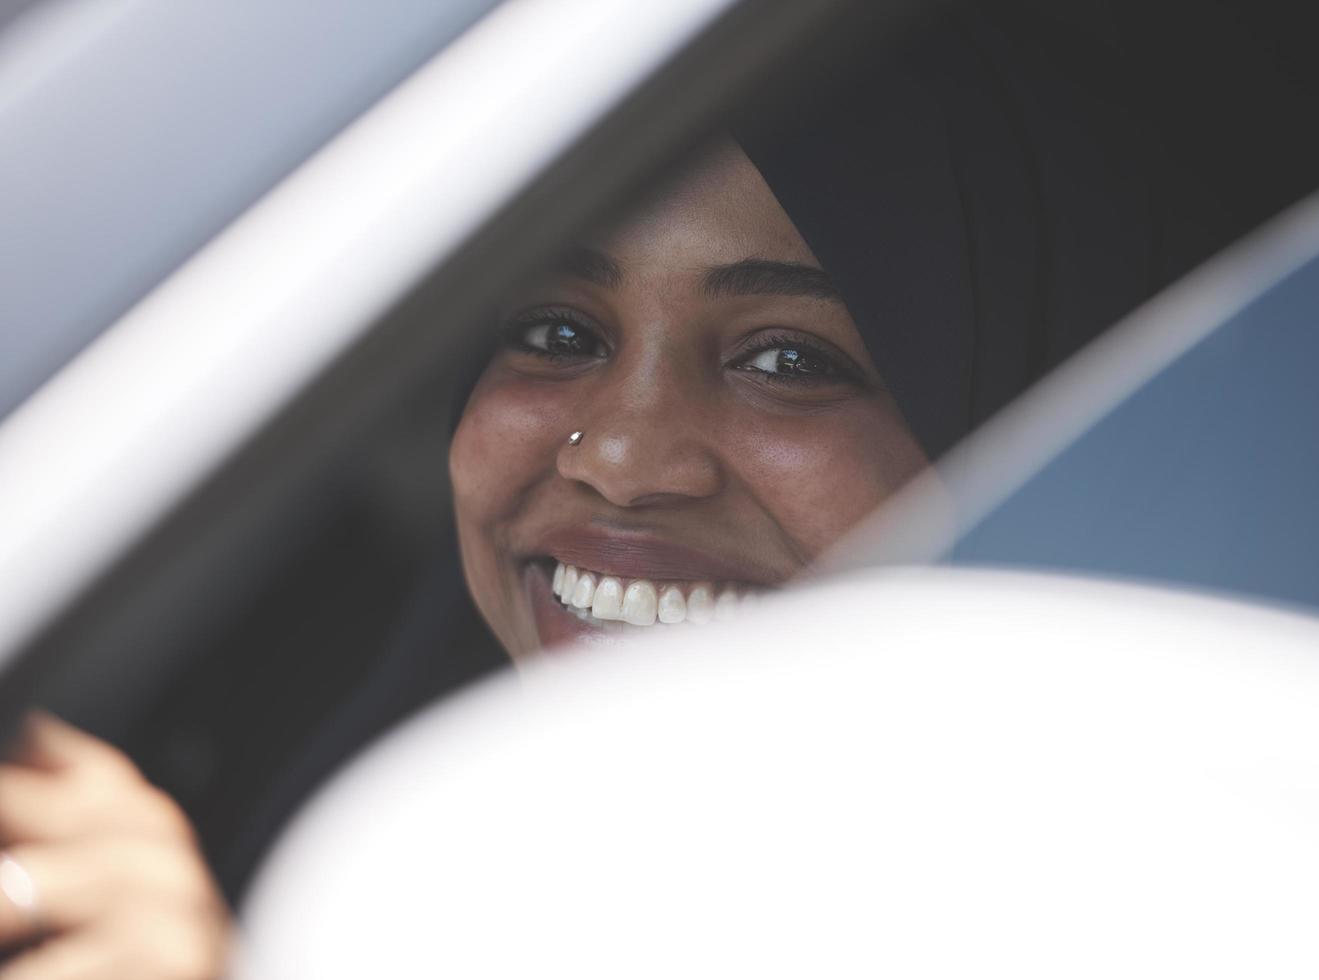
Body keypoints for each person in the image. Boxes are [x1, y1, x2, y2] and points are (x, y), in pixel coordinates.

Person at [0, 11, 1223, 974]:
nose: (621, 457)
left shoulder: (1177, 919)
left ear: (1027, 421)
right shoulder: (385, 817)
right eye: (558, 328)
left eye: (792, 359)